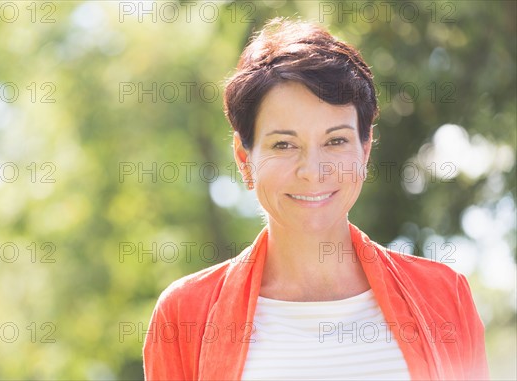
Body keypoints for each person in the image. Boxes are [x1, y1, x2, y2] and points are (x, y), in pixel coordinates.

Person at [143, 18, 489, 380]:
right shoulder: (184, 315)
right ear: (245, 160)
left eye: (335, 140)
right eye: (284, 144)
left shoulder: (445, 297)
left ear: (365, 148)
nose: (313, 171)